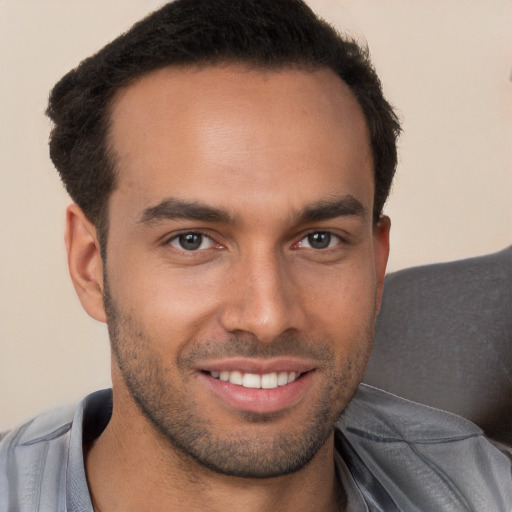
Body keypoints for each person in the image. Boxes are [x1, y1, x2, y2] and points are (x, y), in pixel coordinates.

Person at [0, 0, 510, 510]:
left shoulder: (485, 491)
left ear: (377, 266)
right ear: (90, 265)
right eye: (192, 241)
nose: (267, 317)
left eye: (319, 240)